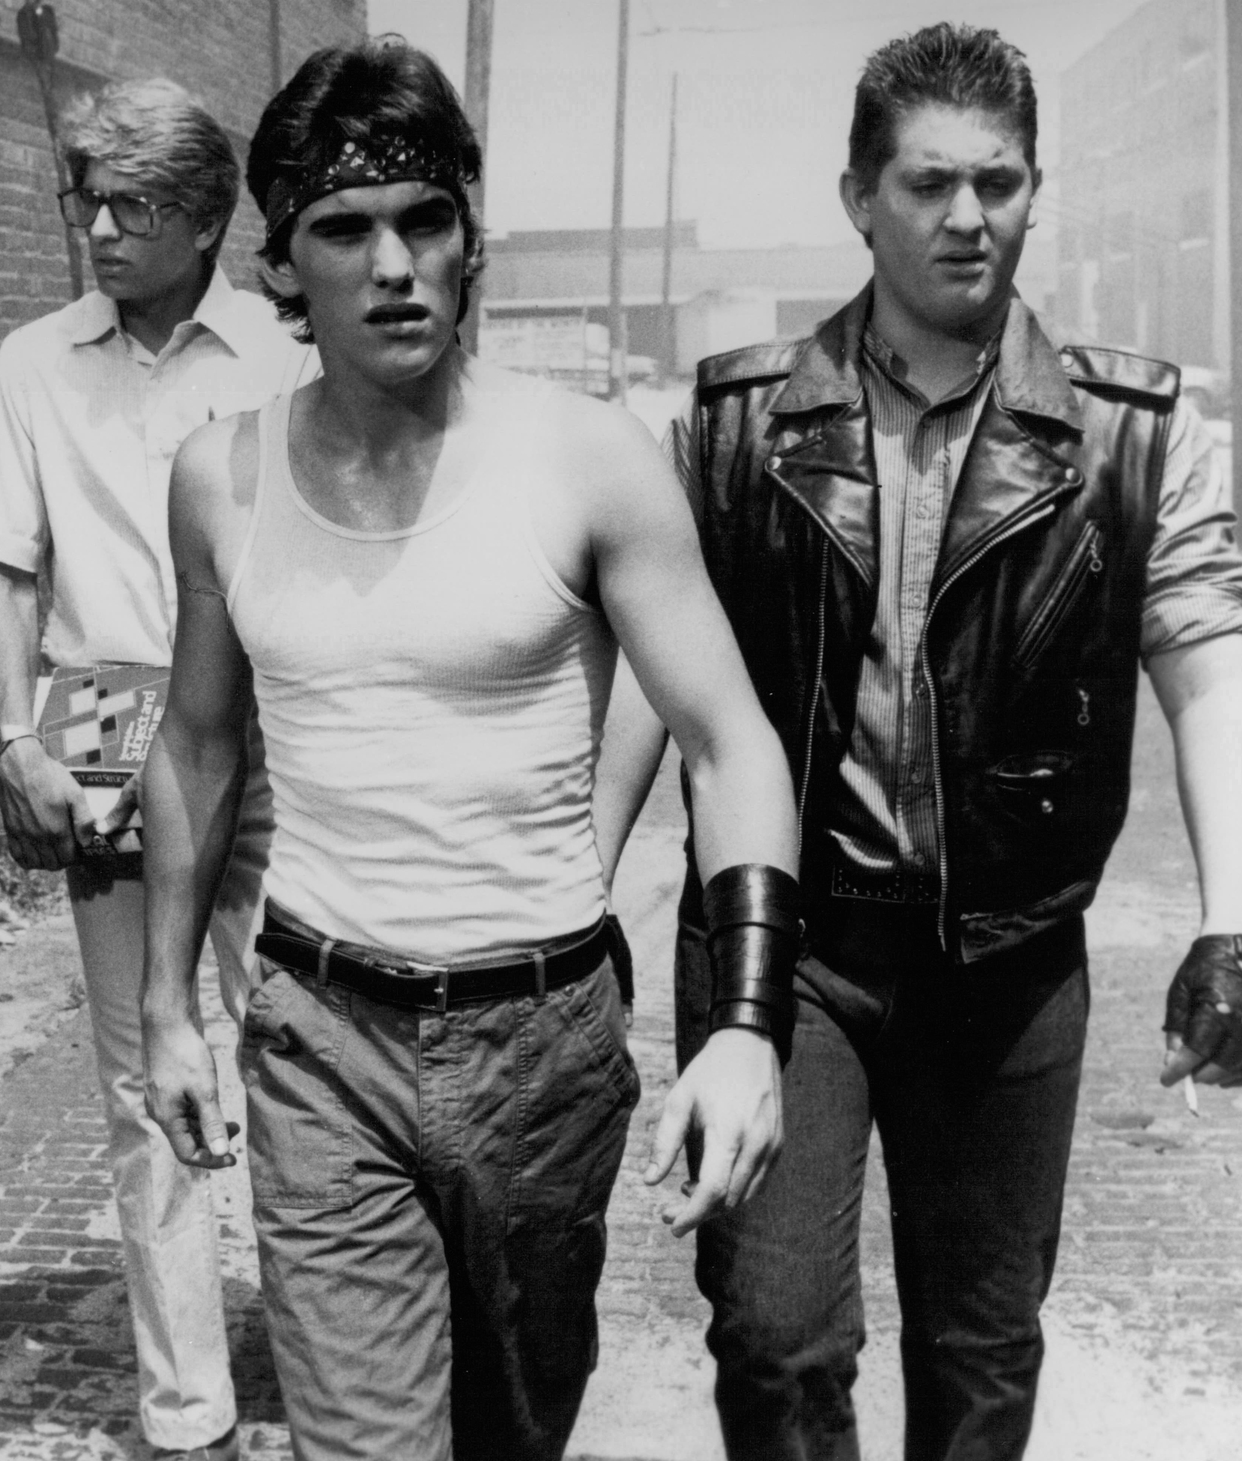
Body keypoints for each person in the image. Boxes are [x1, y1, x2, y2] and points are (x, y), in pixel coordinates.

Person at [139, 39, 807, 1460]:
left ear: (469, 239)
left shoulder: (591, 456)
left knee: (511, 1433)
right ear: (282, 268)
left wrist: (745, 1021)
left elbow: (732, 743)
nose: (394, 265)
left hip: (542, 1041)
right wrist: (165, 1009)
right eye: (345, 230)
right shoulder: (221, 474)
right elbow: (198, 746)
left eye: (425, 221)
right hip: (320, 1036)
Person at [621, 24, 1242, 1461]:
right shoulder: (730, 426)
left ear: (1036, 189)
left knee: (982, 1355)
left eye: (999, 181)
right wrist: (569, 892)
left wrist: (1239, 925)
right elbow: (651, 681)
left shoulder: (1136, 434)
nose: (967, 216)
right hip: (789, 947)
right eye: (928, 183)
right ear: (859, 196)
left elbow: (1213, 663)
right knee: (775, 1333)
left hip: (1011, 955)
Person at [0, 77, 312, 1461]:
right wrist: (14, 741)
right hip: (103, 721)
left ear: (208, 218)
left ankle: (334, 1367)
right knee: (143, 1080)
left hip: (268, 730)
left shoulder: (286, 357)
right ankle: (187, 1407)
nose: (97, 226)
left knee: (298, 1050)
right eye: (82, 197)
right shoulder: (35, 361)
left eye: (132, 204)